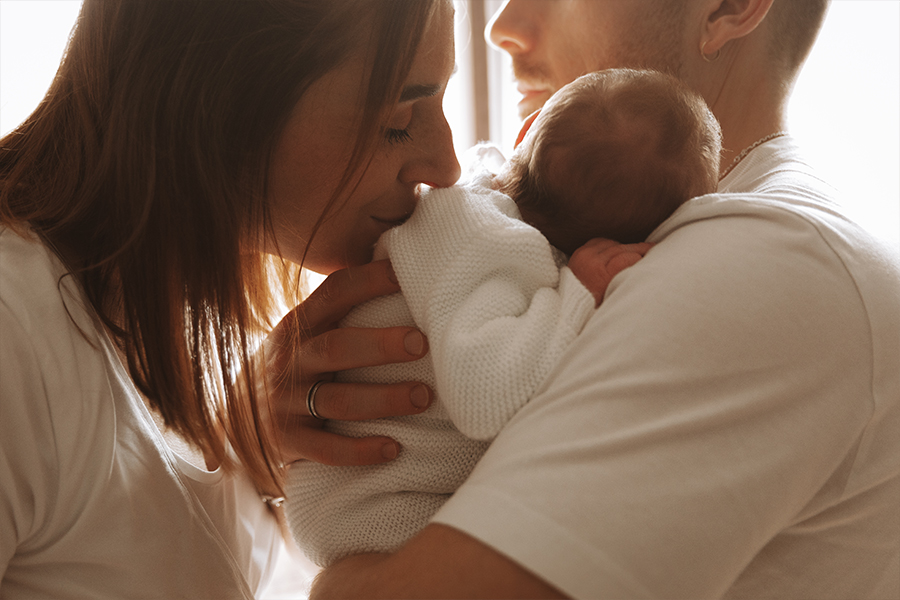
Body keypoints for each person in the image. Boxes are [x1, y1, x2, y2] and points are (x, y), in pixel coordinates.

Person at [307, 1, 900, 598]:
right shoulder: (671, 242)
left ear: (727, 7)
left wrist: (339, 575)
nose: (502, 26)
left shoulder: (767, 267)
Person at [0, 0, 462, 596]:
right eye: (399, 117)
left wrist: (254, 451)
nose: (446, 166)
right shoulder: (15, 331)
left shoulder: (214, 330)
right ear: (225, 94)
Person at [285, 68, 722, 567]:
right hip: (371, 513)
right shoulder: (497, 248)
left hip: (350, 492)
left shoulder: (472, 202)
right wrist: (577, 294)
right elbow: (485, 397)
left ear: (525, 131)